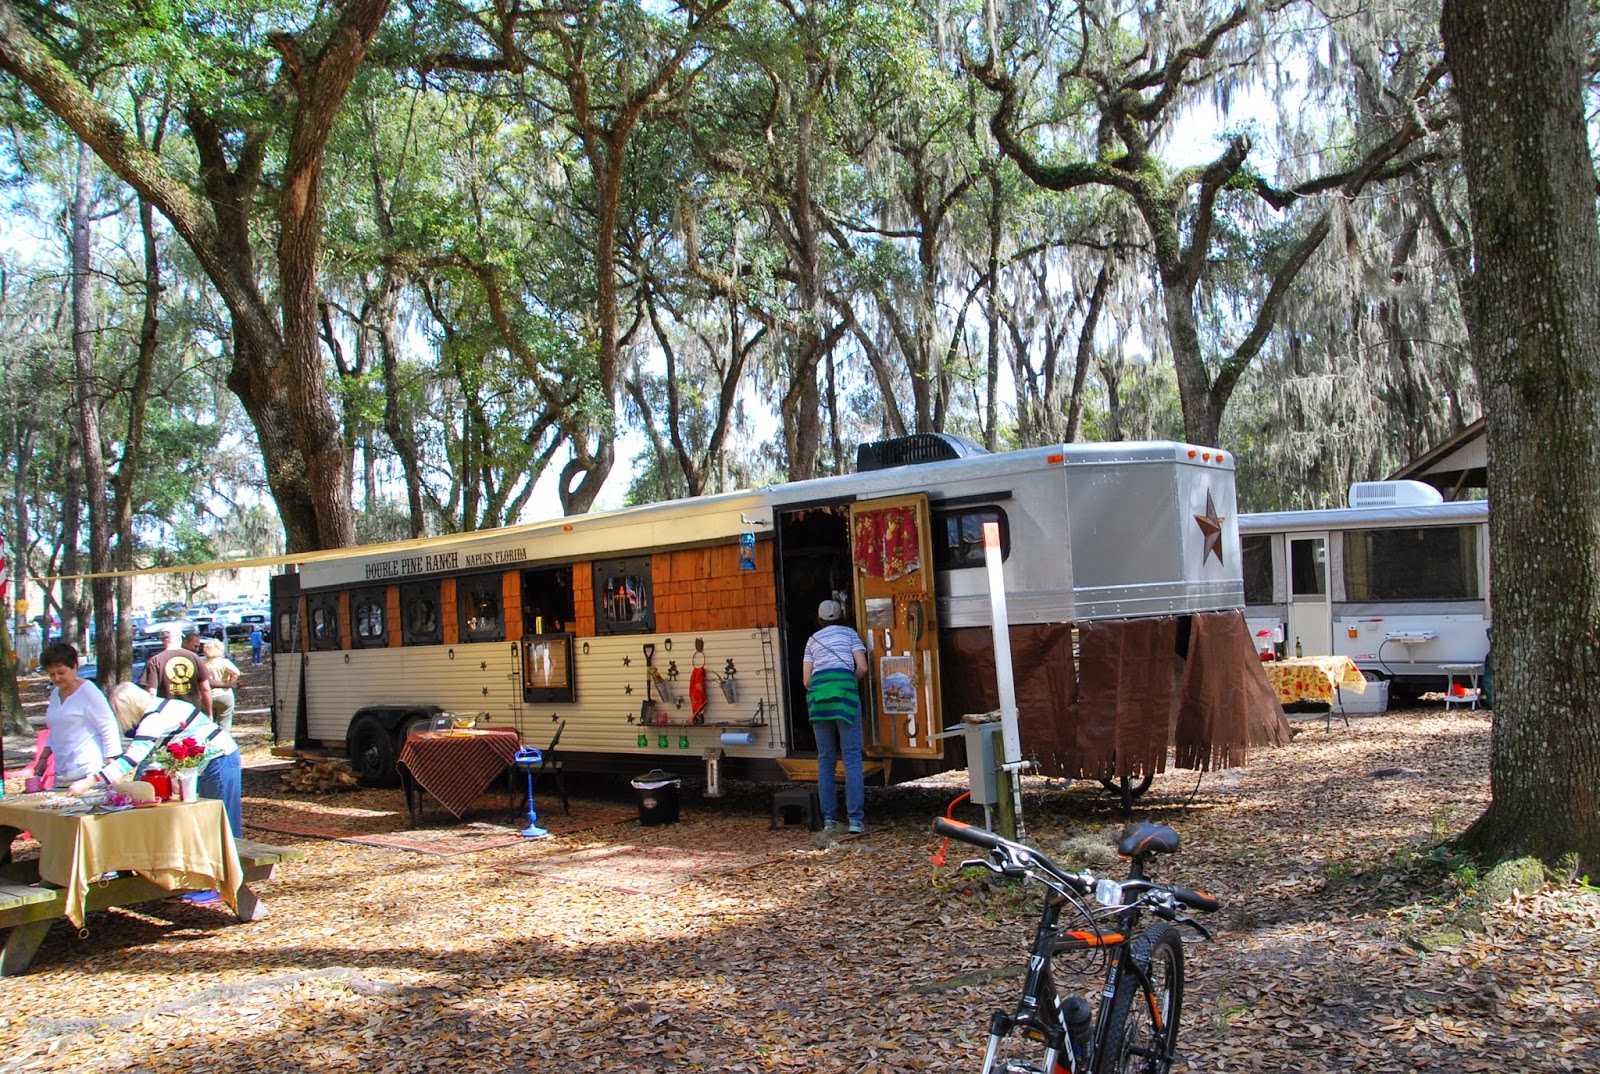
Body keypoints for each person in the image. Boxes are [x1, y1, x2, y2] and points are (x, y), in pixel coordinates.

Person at [70, 683, 243, 838]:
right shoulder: (163, 705)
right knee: (210, 819)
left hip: (220, 758)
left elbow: (131, 759)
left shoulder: (153, 719)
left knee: (224, 822)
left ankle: (235, 867)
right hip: (208, 761)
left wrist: (89, 781)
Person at [802, 598, 869, 835]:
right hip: (844, 696)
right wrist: (847, 682)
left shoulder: (813, 640)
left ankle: (829, 819)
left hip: (819, 699)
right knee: (851, 757)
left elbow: (806, 681)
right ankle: (855, 820)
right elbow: (862, 667)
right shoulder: (850, 634)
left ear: (819, 620)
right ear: (842, 616)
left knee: (825, 758)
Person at [32, 642, 121, 789]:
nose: (57, 678)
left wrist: (111, 764)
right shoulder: (55, 693)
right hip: (62, 769)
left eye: (61, 672)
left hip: (88, 768)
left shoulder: (89, 693)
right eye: (52, 674)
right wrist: (43, 758)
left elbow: (108, 726)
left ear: (74, 666)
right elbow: (56, 730)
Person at [139, 626, 213, 716]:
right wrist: (209, 713)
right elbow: (205, 688)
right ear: (179, 638)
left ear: (163, 640)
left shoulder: (155, 660)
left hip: (167, 712)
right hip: (192, 712)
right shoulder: (194, 657)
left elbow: (151, 693)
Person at [202, 637, 242, 732]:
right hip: (224, 694)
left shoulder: (202, 663)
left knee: (207, 723)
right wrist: (229, 684)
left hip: (206, 696)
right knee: (224, 722)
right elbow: (236, 673)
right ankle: (223, 743)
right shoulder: (224, 662)